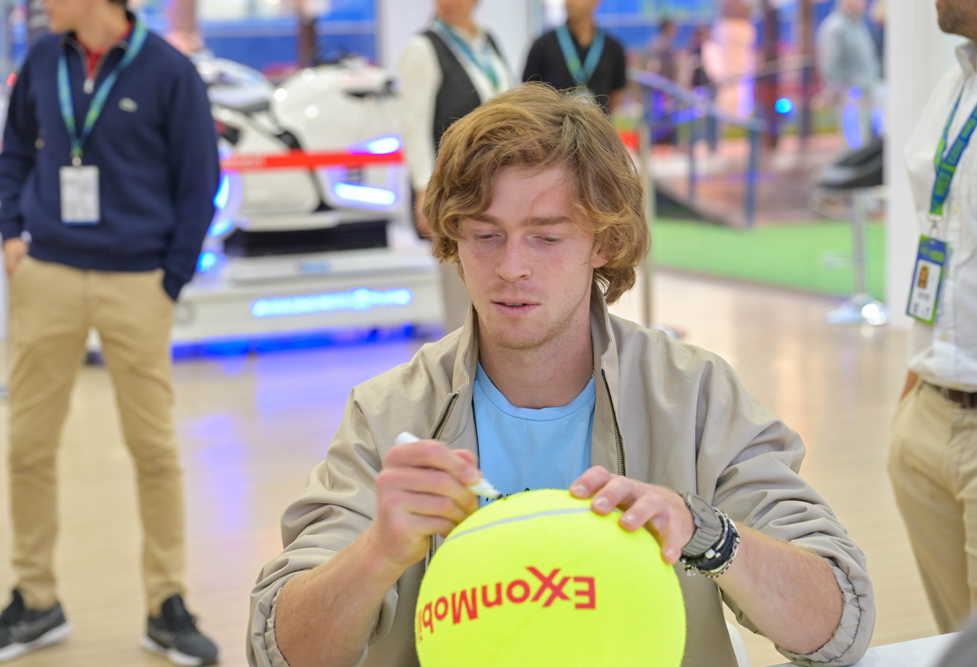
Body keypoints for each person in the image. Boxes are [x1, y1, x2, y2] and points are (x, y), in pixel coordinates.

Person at [247, 83, 875, 667]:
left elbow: (840, 623)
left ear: (603, 243)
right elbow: (276, 647)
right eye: (485, 235)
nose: (511, 267)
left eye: (546, 238)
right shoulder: (390, 414)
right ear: (453, 241)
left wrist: (707, 533)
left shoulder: (693, 395)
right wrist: (376, 553)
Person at [0, 0, 220, 664]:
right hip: (48, 273)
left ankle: (166, 604)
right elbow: (16, 155)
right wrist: (9, 236)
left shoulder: (169, 72)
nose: (42, 5)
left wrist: (169, 278)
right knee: (28, 443)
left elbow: (200, 182)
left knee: (153, 449)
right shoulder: (42, 59)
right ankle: (34, 598)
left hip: (136, 281)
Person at [888, 0, 977, 635]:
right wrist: (918, 383)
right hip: (931, 404)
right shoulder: (955, 82)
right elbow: (940, 233)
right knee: (957, 635)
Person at [396, 0, 511, 331]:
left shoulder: (488, 43)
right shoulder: (424, 47)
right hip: (455, 190)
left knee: (495, 287)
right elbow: (414, 125)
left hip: (499, 187)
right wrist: (423, 187)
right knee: (460, 291)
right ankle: (462, 375)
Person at [521, 0, 627, 114]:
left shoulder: (613, 48)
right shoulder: (542, 45)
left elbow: (616, 93)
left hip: (597, 127)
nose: (570, 2)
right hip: (554, 128)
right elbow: (529, 91)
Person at [816, 0, 882, 146]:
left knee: (868, 144)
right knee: (855, 145)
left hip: (867, 93)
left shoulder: (858, 24)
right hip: (851, 97)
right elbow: (831, 62)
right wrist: (841, 90)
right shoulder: (835, 27)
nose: (863, 4)